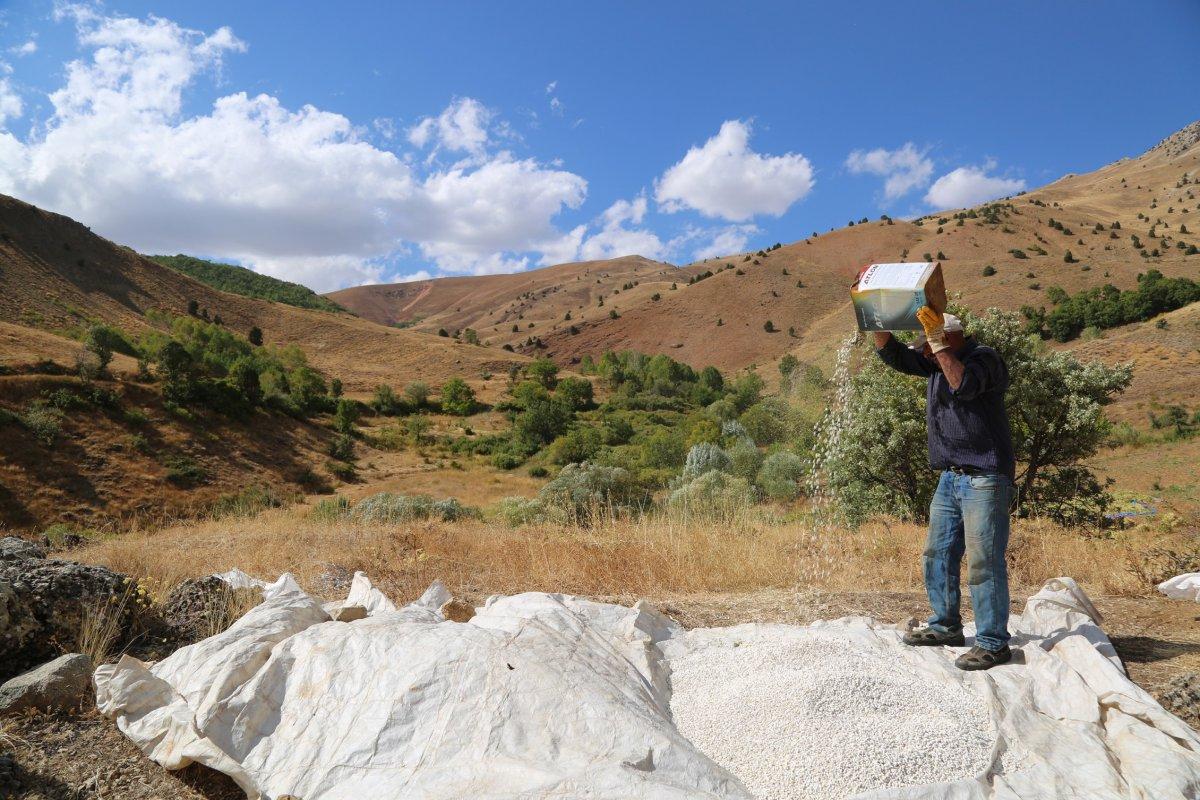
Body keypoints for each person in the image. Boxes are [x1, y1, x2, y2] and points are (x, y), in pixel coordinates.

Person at [874, 307, 1016, 671]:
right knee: (937, 554)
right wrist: (874, 317)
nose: (924, 352)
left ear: (949, 338)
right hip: (950, 477)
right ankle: (946, 626)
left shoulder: (985, 359)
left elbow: (963, 385)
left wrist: (936, 344)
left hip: (985, 477)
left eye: (929, 344)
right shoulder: (937, 361)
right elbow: (896, 356)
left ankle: (993, 643)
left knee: (984, 561)